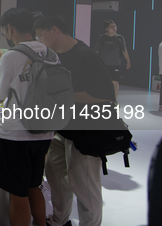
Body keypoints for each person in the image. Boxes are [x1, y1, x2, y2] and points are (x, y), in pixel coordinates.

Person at [34, 16, 115, 226]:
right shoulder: (52, 57)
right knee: (56, 180)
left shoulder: (87, 56)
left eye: (40, 35)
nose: (39, 40)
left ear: (54, 30)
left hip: (86, 133)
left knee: (86, 187)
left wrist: (62, 95)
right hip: (59, 129)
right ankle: (59, 220)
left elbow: (105, 96)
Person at [0, 8, 53, 226]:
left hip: (16, 134)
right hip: (44, 130)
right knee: (34, 186)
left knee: (17, 194)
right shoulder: (50, 53)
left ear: (9, 29)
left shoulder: (11, 56)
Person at [95, 19, 131, 101]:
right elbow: (96, 51)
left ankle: (114, 100)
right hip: (104, 64)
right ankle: (104, 99)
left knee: (115, 82)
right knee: (104, 82)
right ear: (106, 29)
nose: (114, 28)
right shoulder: (102, 38)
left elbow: (124, 50)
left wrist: (128, 61)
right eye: (112, 26)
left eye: (115, 26)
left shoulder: (119, 38)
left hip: (115, 64)